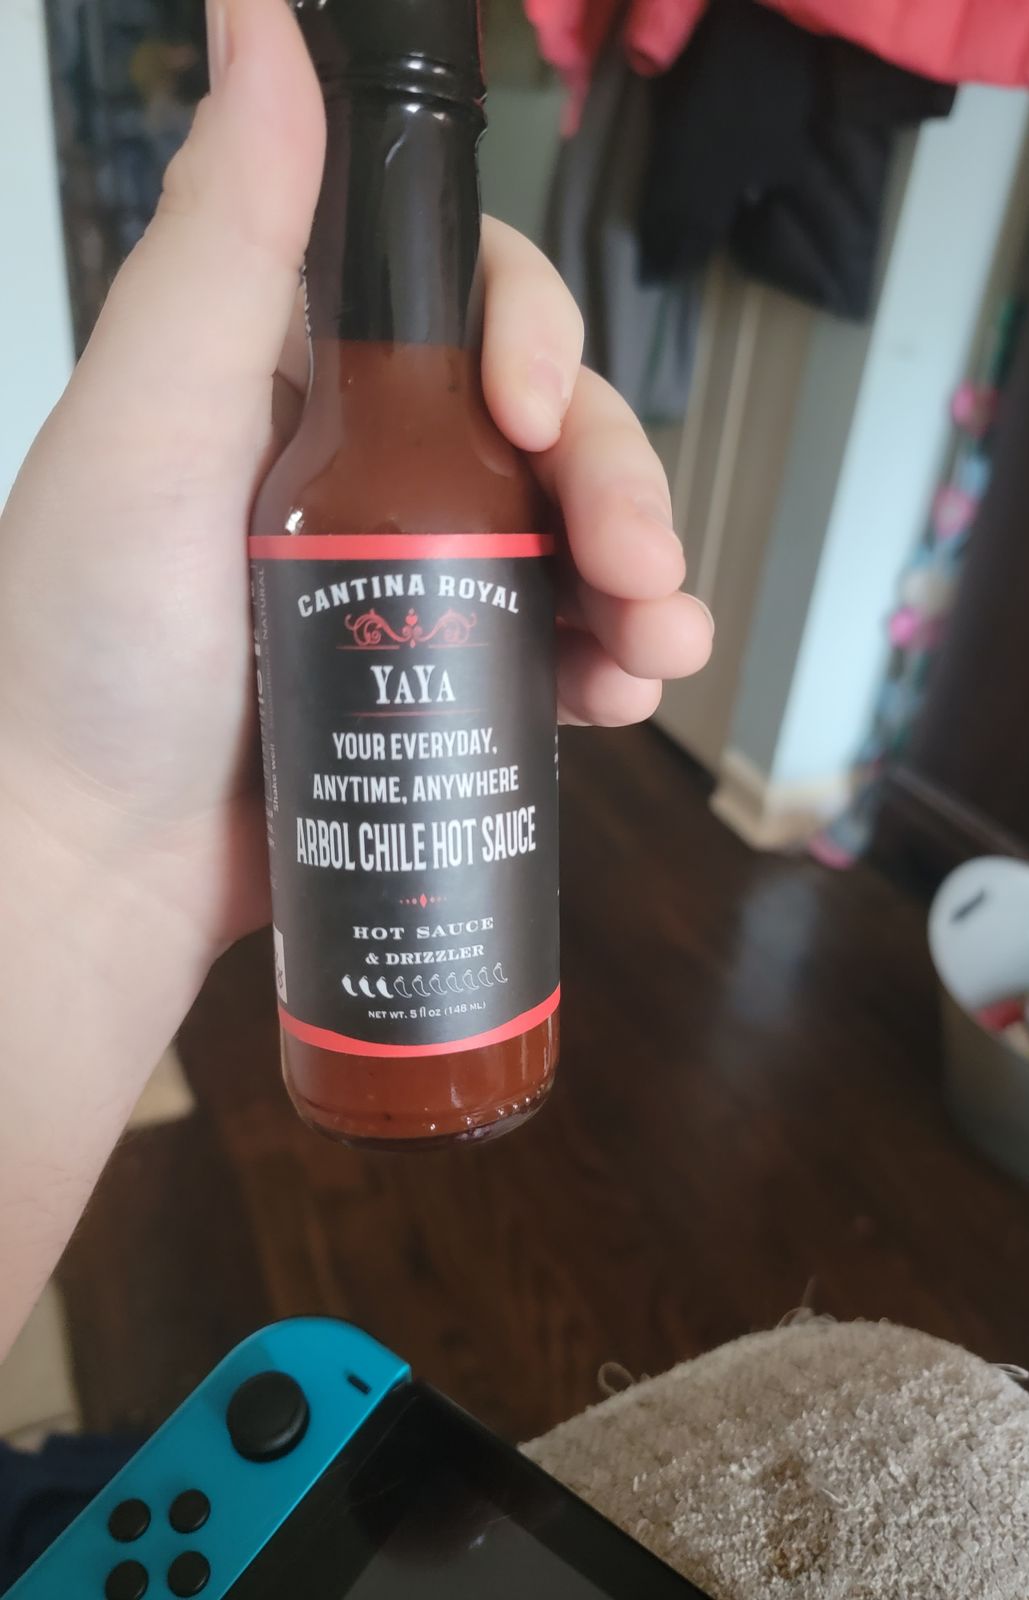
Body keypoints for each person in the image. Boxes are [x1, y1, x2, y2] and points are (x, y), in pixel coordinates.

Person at [0, 0, 712, 1366]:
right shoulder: (297, 484)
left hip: (480, 1005)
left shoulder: (394, 482)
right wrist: (56, 805)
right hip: (296, 995)